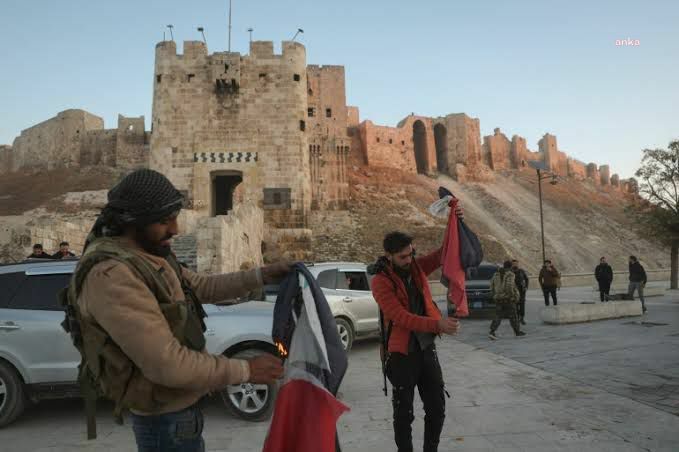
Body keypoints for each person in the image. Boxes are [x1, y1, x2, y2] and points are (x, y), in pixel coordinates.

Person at [62, 169, 288, 451]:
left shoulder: (150, 254)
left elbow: (201, 287)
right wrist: (245, 370)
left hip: (181, 414)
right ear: (133, 222)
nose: (175, 229)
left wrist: (263, 275)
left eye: (175, 217)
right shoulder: (111, 275)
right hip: (163, 422)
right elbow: (167, 365)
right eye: (163, 221)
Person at [371, 230, 462, 452]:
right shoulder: (380, 282)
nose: (408, 260)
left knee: (437, 408)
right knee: (404, 415)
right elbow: (401, 317)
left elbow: (443, 254)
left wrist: (455, 219)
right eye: (403, 257)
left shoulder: (416, 267)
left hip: (426, 349)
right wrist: (437, 324)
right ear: (389, 255)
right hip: (402, 355)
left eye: (411, 254)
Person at [489, 261, 525, 340]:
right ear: (511, 266)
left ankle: (492, 331)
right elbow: (509, 286)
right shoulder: (510, 274)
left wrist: (495, 295)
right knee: (513, 316)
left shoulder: (496, 274)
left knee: (498, 316)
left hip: (498, 299)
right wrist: (512, 296)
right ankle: (517, 332)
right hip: (508, 299)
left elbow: (491, 287)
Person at [511, 259, 529, 324]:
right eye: (513, 264)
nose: (515, 265)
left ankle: (522, 318)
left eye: (516, 263)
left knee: (522, 305)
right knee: (515, 306)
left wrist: (526, 287)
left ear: (518, 264)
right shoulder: (510, 271)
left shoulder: (521, 271)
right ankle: (516, 318)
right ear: (512, 264)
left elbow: (526, 279)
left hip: (521, 291)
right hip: (513, 292)